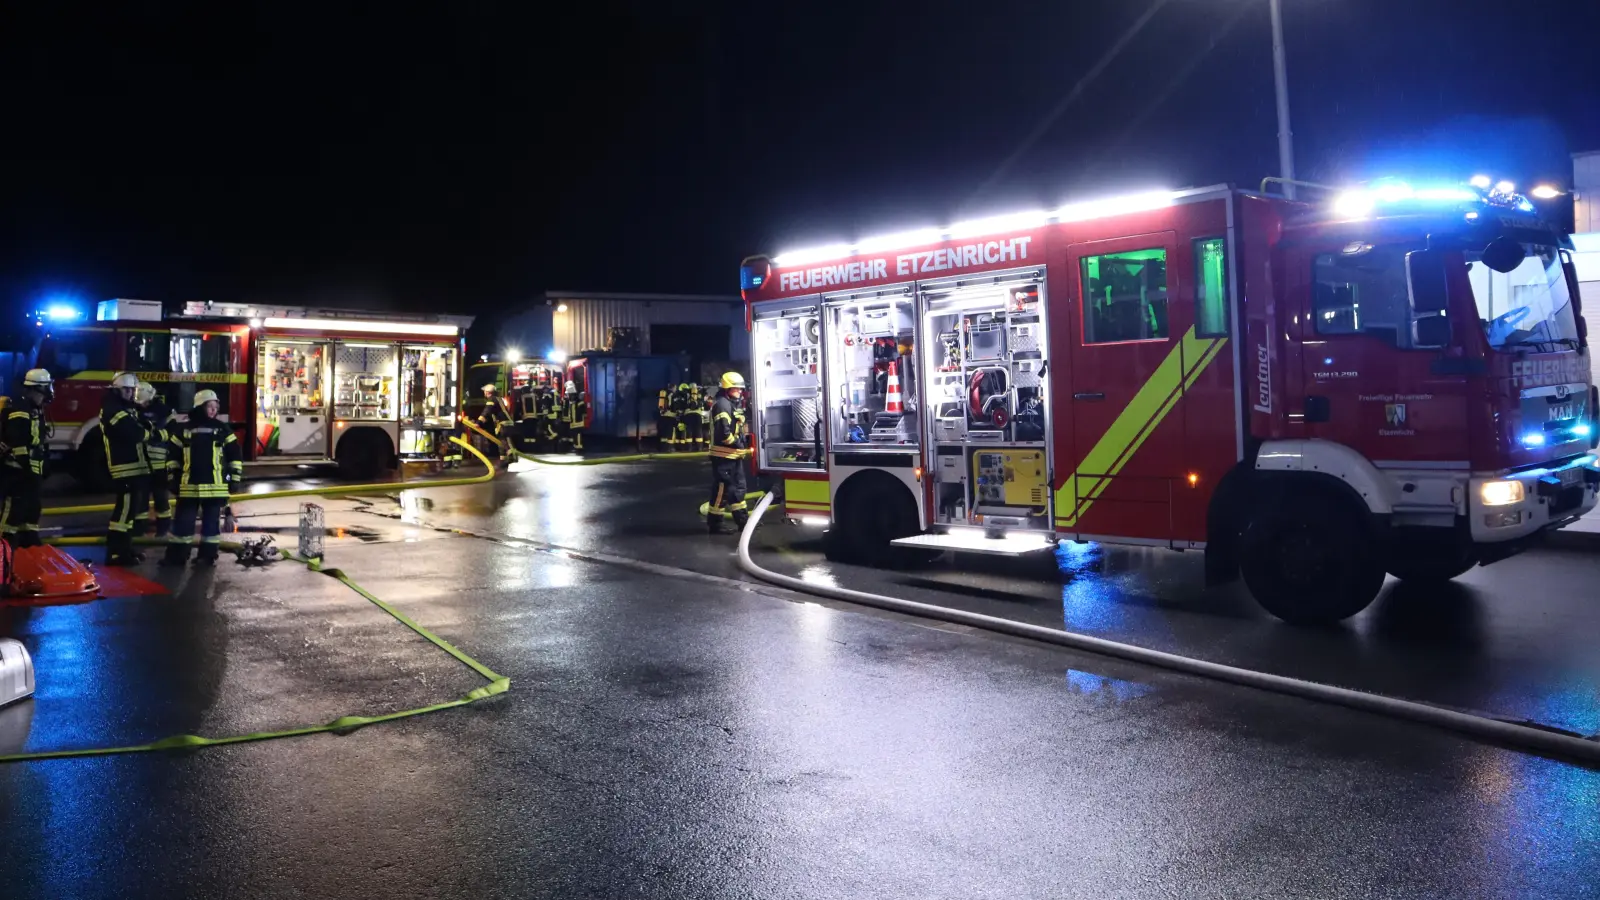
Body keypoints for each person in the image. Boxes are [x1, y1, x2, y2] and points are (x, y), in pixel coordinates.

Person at [161, 389, 241, 567]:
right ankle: (177, 557)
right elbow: (172, 456)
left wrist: (234, 478)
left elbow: (235, 455)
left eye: (215, 407)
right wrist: (172, 477)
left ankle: (207, 557)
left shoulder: (223, 430)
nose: (213, 410)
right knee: (183, 525)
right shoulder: (184, 430)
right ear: (199, 407)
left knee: (210, 527)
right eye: (209, 406)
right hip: (189, 487)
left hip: (213, 488)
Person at [102, 372, 151, 565]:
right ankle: (116, 552)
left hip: (134, 467)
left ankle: (125, 549)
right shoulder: (113, 410)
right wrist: (149, 431)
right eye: (126, 389)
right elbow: (136, 433)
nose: (130, 393)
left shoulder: (126, 409)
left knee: (130, 512)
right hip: (124, 467)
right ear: (117, 390)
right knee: (123, 513)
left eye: (132, 390)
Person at [1, 369, 52, 548]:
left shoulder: (34, 409)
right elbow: (18, 440)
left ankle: (28, 539)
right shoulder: (20, 409)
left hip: (31, 468)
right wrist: (25, 467)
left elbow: (37, 440)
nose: (48, 393)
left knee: (32, 506)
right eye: (46, 388)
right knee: (14, 507)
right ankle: (4, 544)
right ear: (35, 389)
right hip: (17, 469)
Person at [706, 372, 751, 534]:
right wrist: (738, 444)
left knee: (737, 488)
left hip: (733, 455)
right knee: (722, 490)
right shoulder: (722, 405)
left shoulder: (730, 404)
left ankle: (743, 522)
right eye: (736, 389)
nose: (739, 392)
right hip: (723, 456)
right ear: (726, 389)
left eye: (740, 389)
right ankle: (715, 524)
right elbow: (723, 434)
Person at [138, 381, 175, 536]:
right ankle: (139, 532)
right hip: (140, 464)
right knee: (140, 501)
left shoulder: (164, 411)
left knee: (161, 500)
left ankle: (163, 531)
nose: (143, 404)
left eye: (145, 402)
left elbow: (172, 431)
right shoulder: (134, 409)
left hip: (159, 465)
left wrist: (157, 435)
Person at [562, 380, 587, 451]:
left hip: (578, 422)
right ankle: (576, 446)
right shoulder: (571, 402)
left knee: (578, 435)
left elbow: (583, 411)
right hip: (573, 422)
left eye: (569, 394)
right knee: (574, 435)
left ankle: (579, 447)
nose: (568, 396)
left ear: (572, 394)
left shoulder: (578, 402)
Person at [657, 385, 678, 449]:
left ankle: (662, 448)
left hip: (663, 416)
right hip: (670, 416)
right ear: (673, 388)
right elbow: (672, 405)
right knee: (670, 433)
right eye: (675, 388)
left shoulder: (663, 395)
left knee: (664, 433)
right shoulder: (672, 395)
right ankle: (670, 448)